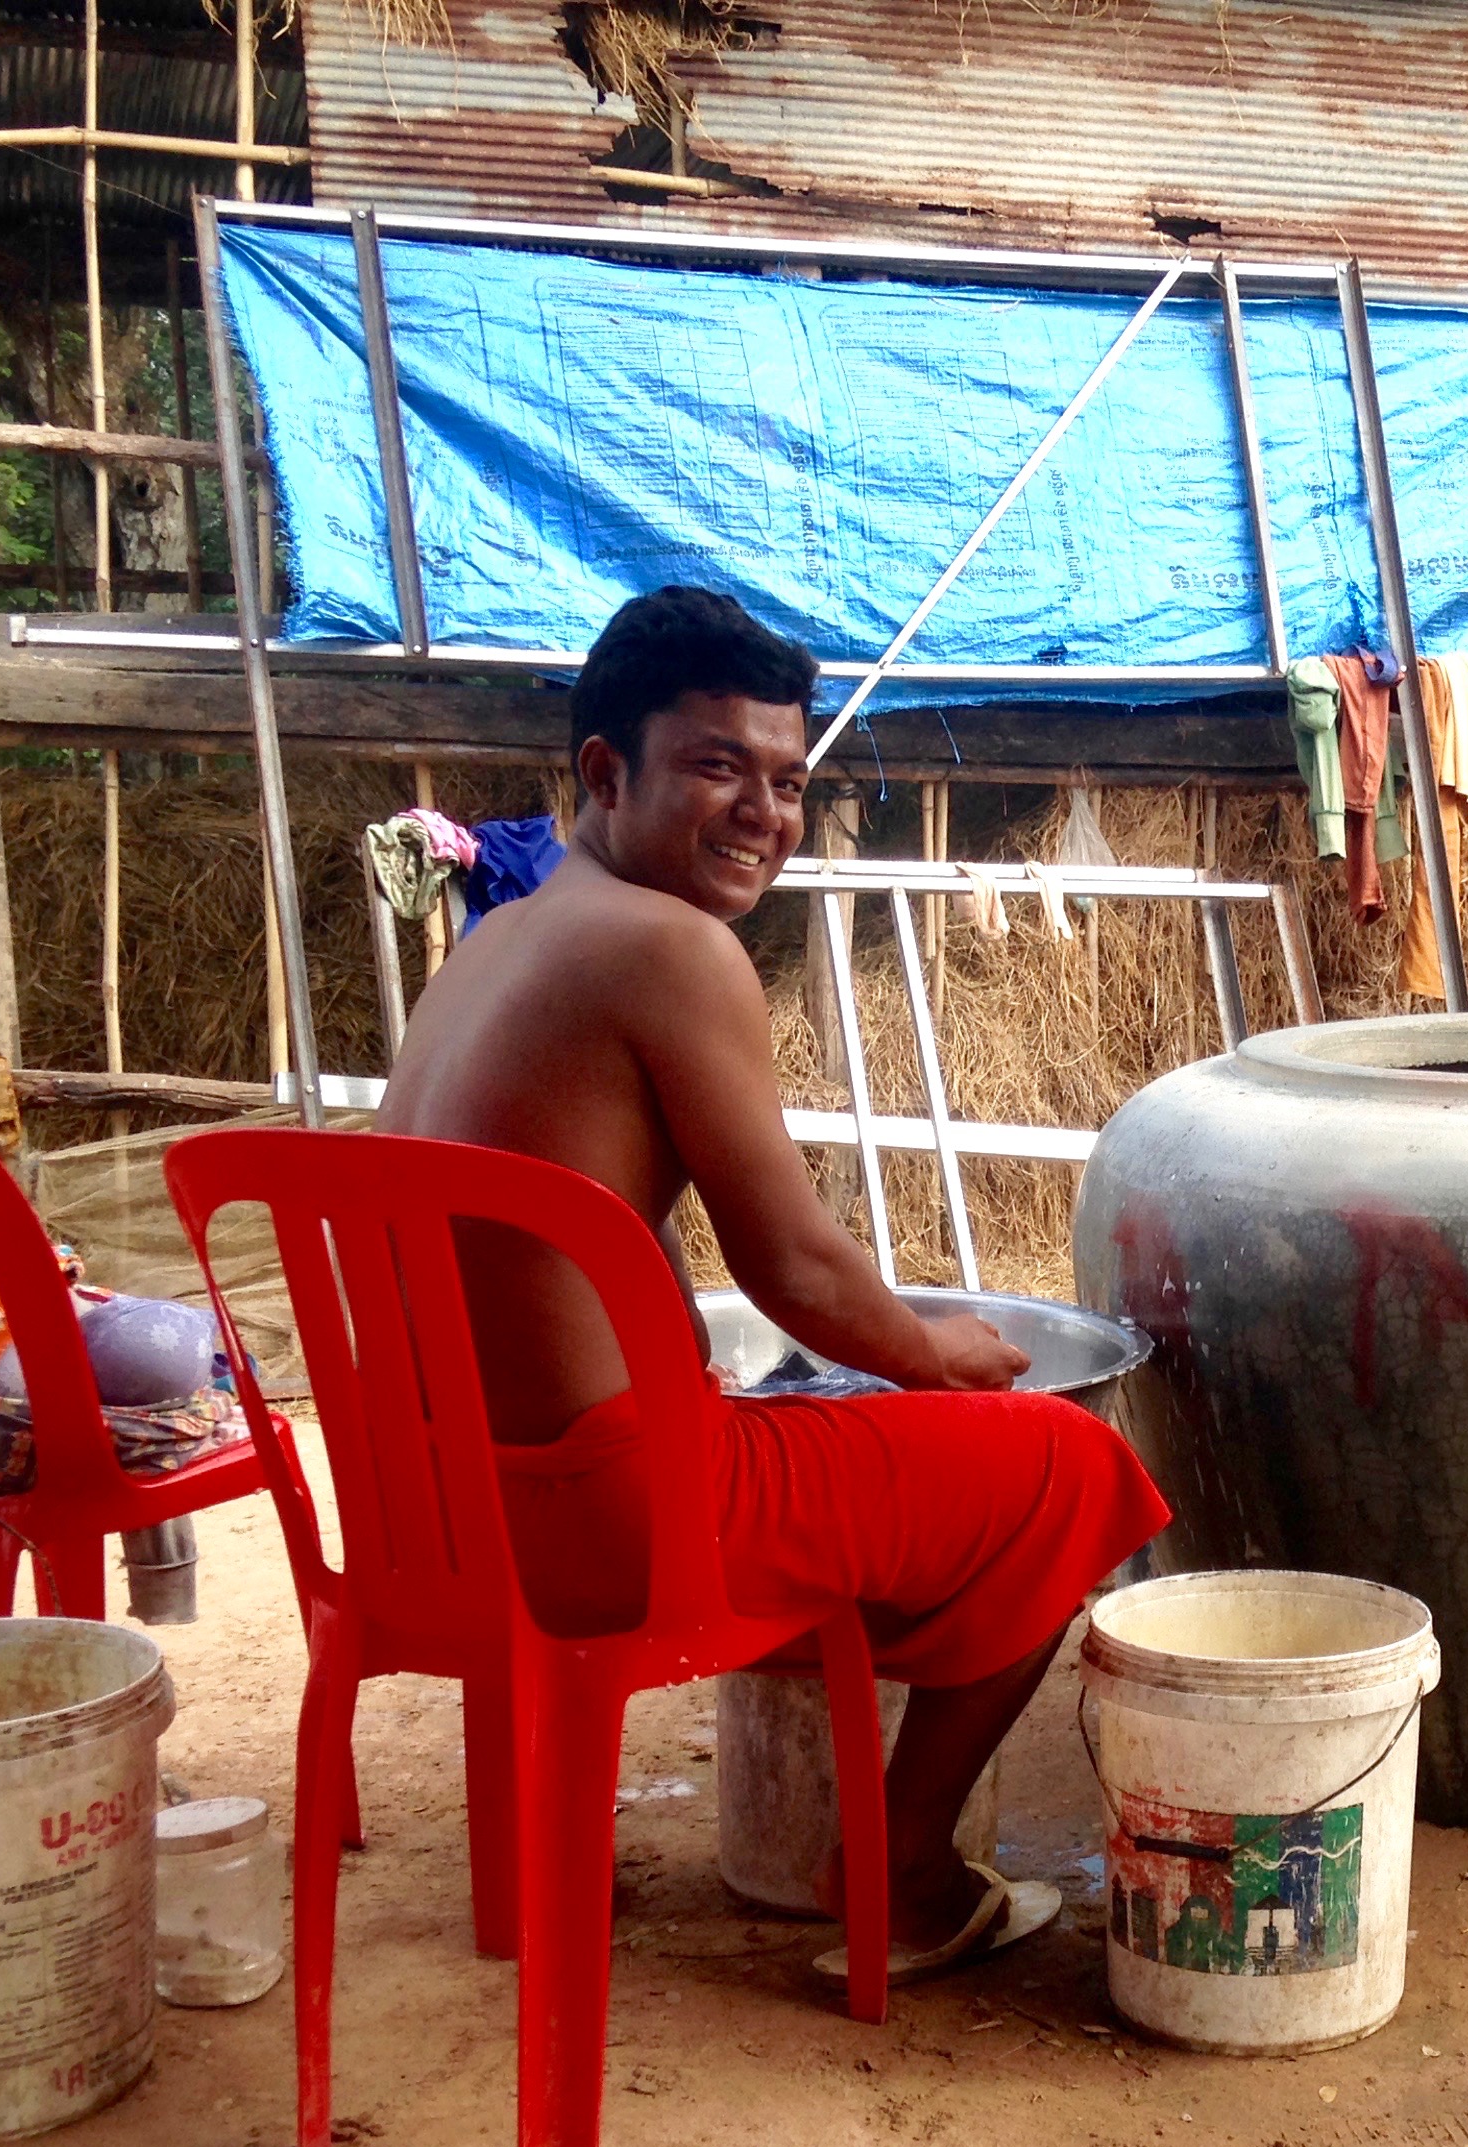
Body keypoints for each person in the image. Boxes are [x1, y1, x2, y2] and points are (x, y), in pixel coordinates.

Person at [377, 586, 1168, 1981]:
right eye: (717, 767)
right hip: (610, 1525)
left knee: (857, 1437)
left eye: (789, 781)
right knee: (1070, 1468)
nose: (763, 813)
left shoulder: (492, 942)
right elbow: (794, 1267)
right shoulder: (670, 946)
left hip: (443, 1509)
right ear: (605, 772)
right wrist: (936, 1353)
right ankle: (898, 1876)